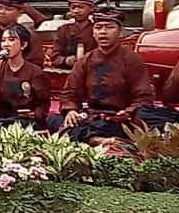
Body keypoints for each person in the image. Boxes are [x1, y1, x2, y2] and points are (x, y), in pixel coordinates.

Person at [57, 10, 158, 141]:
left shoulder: (132, 59)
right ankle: (98, 140)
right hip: (92, 115)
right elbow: (70, 92)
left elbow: (144, 97)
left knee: (145, 119)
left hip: (121, 117)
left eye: (109, 27)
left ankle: (94, 139)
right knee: (55, 120)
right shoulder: (85, 60)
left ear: (120, 32)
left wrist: (127, 112)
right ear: (93, 33)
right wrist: (71, 110)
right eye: (98, 28)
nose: (103, 32)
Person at [0, 25, 51, 128]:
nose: (6, 44)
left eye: (11, 40)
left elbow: (44, 104)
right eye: (3, 40)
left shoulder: (35, 72)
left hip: (25, 120)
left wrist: (34, 114)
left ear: (23, 45)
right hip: (2, 118)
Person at [51, 0, 99, 69]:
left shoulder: (97, 29)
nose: (76, 11)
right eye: (73, 7)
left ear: (91, 8)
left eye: (81, 7)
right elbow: (55, 57)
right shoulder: (63, 30)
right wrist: (66, 60)